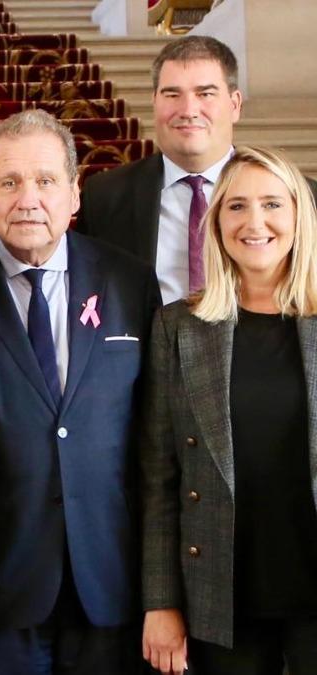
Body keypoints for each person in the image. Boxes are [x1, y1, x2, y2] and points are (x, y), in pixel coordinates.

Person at [0, 110, 162, 674]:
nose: (27, 198)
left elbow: (154, 437)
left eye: (46, 180)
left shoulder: (130, 281)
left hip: (109, 577)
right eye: (9, 182)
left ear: (75, 193)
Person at [140, 145, 317, 675]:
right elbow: (159, 477)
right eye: (236, 206)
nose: (254, 222)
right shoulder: (179, 326)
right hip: (222, 592)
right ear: (216, 223)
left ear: (298, 216)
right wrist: (161, 600)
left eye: (271, 204)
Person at [76, 36, 246, 304]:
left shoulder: (294, 197)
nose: (189, 110)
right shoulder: (104, 197)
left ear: (235, 105)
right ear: (154, 101)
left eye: (205, 94)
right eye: (172, 94)